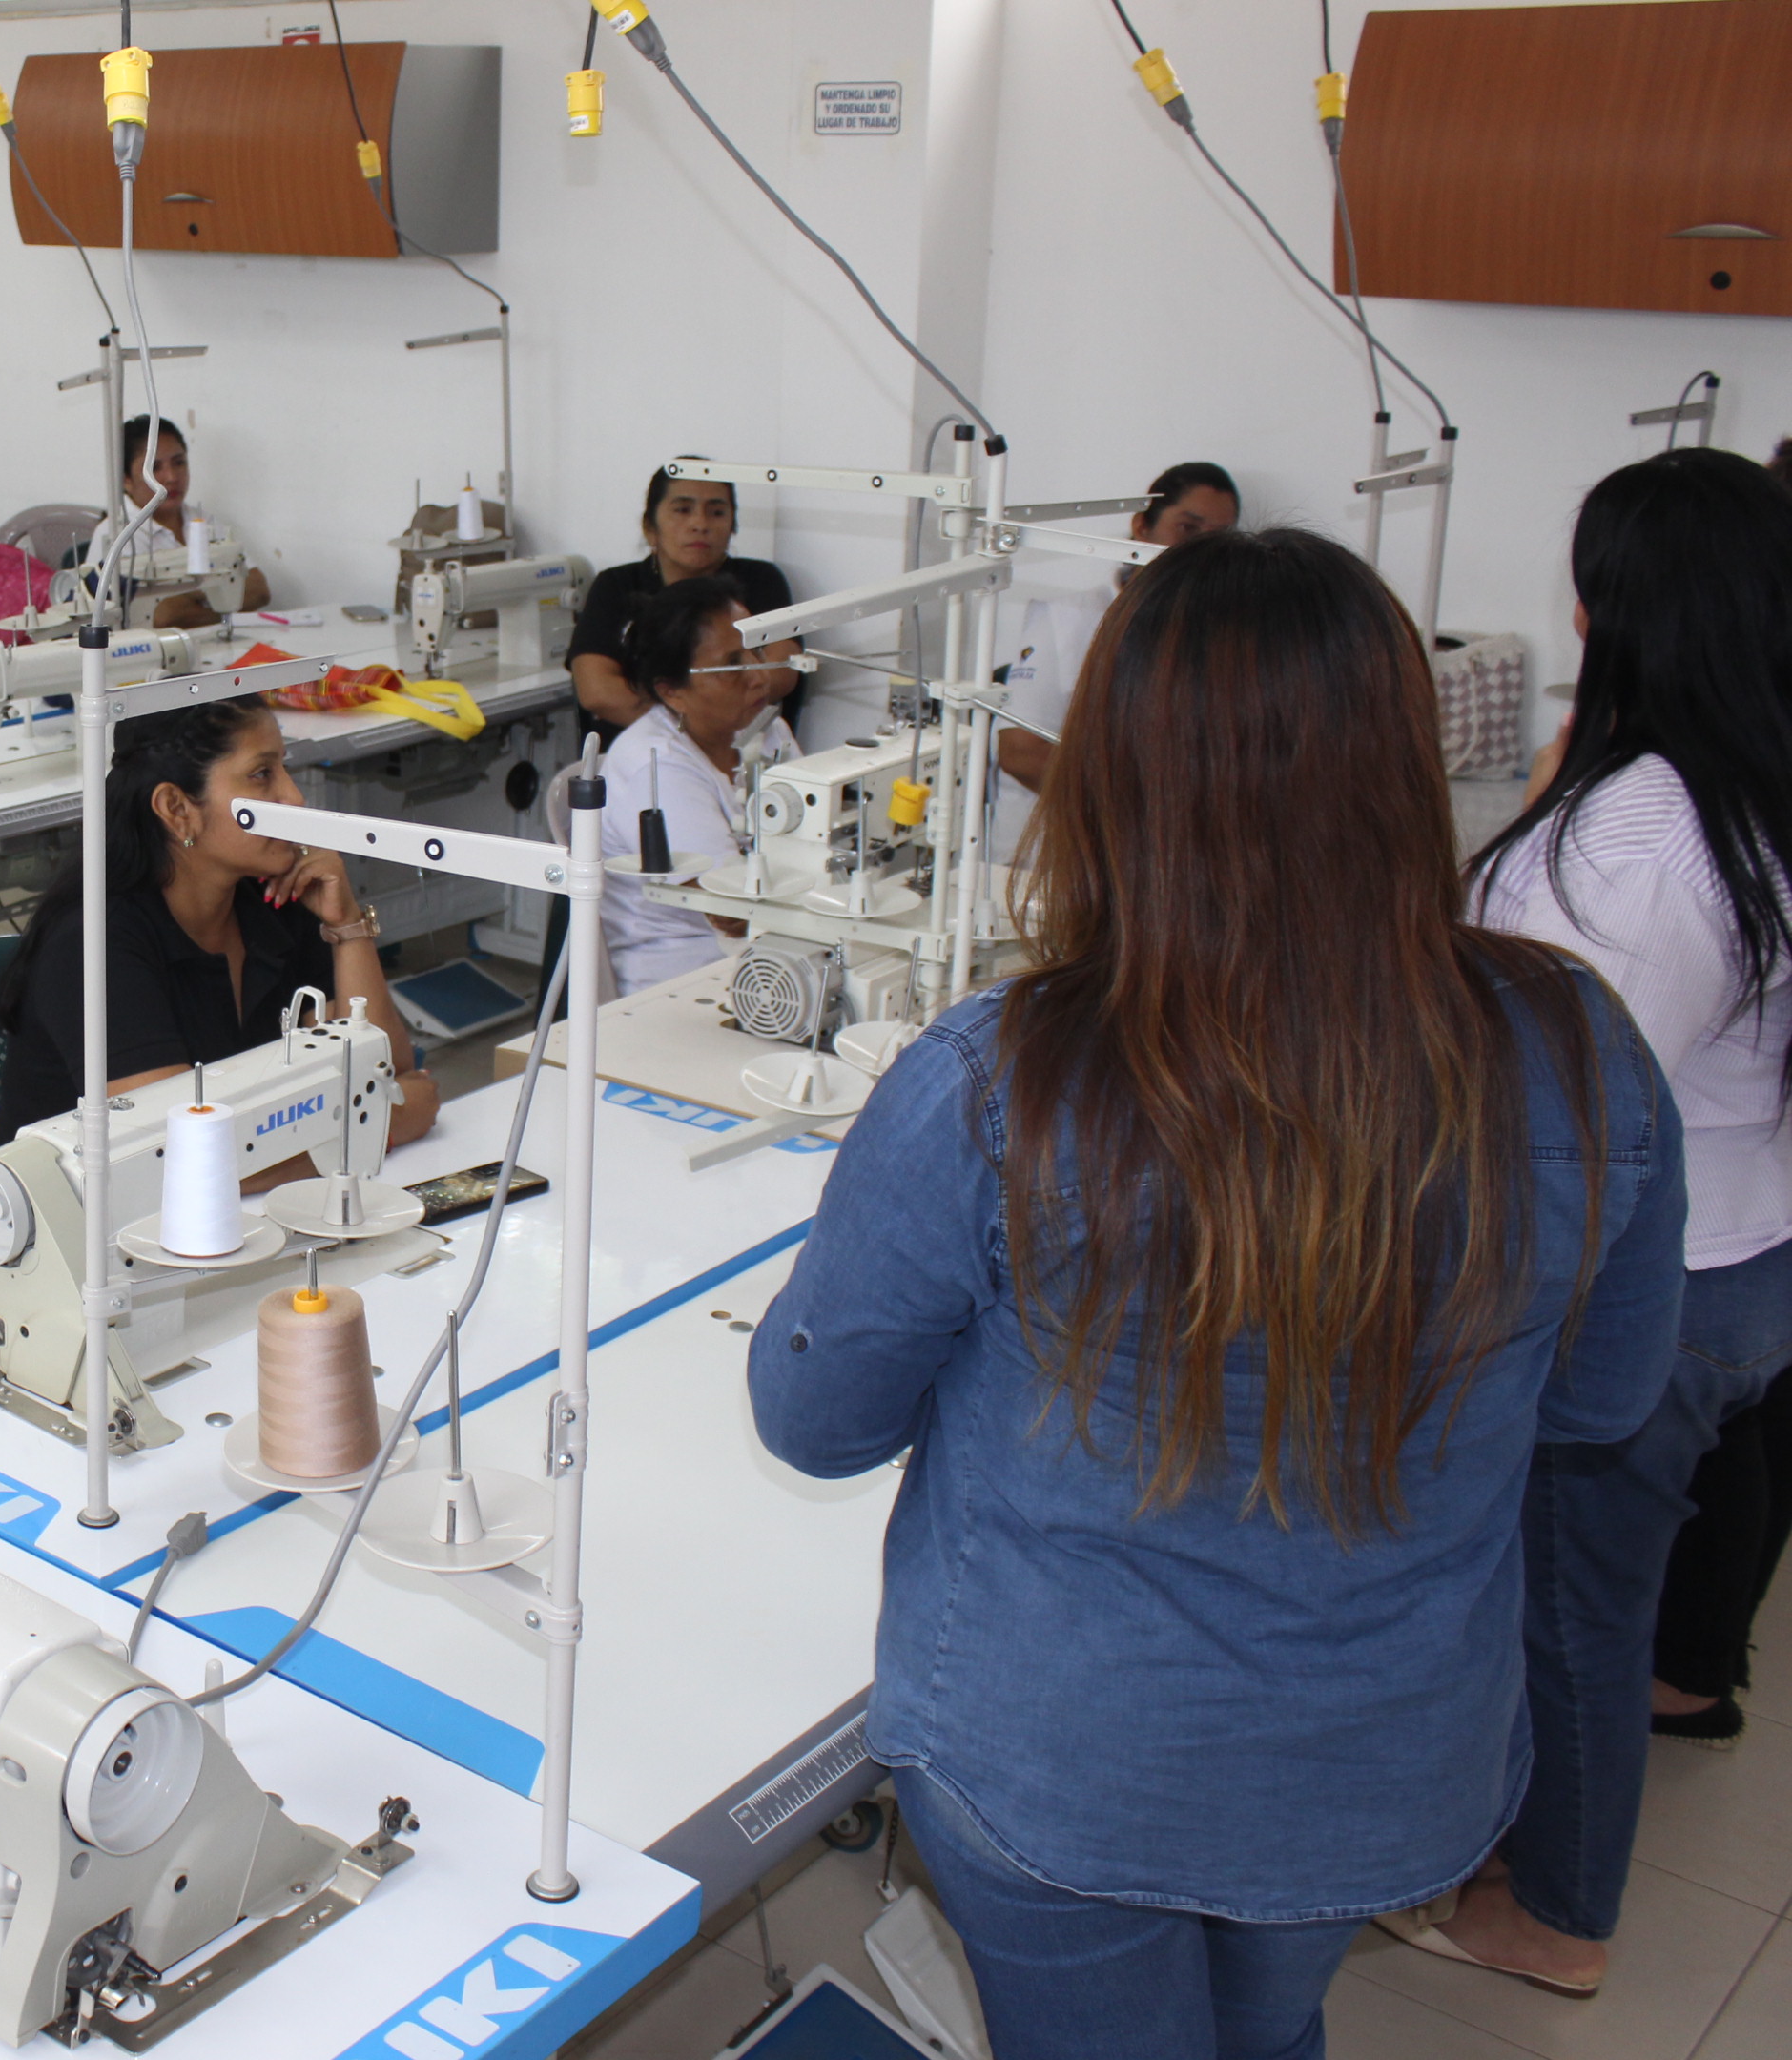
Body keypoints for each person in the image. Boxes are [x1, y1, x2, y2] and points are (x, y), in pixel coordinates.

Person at [751, 526, 1683, 2060]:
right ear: (1401, 763)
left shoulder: (1003, 1081)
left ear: (1116, 778)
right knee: (1261, 2029)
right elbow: (1600, 1400)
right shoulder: (1577, 1049)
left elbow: (817, 1421)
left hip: (1070, 1764)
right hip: (1383, 1761)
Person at [1393, 448, 1792, 1998]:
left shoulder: (1637, 843)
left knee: (1568, 1602)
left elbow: (1566, 1120)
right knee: (1603, 1584)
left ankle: (1556, 1913)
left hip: (1642, 1289)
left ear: (1620, 606)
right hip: (1745, 1248)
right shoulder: (1742, 782)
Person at [0, 694, 440, 1166]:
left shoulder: (271, 898)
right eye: (261, 774)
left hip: (234, 1200)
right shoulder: (92, 946)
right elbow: (178, 1158)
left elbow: (387, 1072)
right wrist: (381, 1129)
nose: (294, 798)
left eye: (283, 768)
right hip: (69, 1207)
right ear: (176, 808)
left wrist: (346, 925)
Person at [989, 461, 1239, 853]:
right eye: (1187, 528)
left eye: (1218, 539)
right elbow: (1022, 754)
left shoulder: (1220, 640)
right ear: (1142, 527)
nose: (1199, 552)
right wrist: (1142, 819)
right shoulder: (1067, 620)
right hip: (1047, 858)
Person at [589, 579, 801, 998]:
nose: (760, 676)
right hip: (682, 973)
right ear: (672, 692)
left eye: (758, 652)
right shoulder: (654, 766)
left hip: (768, 955)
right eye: (733, 666)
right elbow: (733, 909)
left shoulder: (768, 730)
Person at [565, 461, 795, 751]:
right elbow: (597, 691)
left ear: (733, 526)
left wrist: (696, 721)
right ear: (650, 527)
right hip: (637, 752)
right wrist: (694, 732)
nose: (700, 524)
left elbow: (781, 672)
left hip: (739, 752)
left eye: (717, 512)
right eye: (683, 510)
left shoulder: (760, 580)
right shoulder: (616, 585)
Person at [85, 417, 266, 630]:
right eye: (154, 468)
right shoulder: (117, 534)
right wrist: (216, 592)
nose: (171, 477)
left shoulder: (202, 521)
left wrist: (190, 598)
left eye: (179, 463)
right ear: (126, 480)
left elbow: (260, 589)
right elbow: (162, 616)